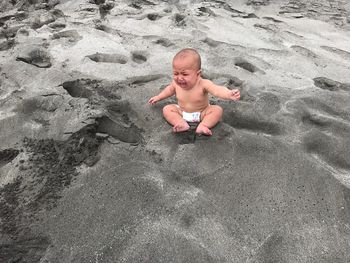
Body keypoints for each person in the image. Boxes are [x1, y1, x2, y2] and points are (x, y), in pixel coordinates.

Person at [148, 48, 240, 136]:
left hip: (202, 113)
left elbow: (217, 90)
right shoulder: (176, 84)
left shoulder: (203, 84)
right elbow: (168, 90)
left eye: (184, 74)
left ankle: (203, 125)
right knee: (167, 109)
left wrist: (228, 94)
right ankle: (180, 123)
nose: (179, 78)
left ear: (198, 74)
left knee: (217, 110)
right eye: (176, 73)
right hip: (182, 112)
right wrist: (158, 97)